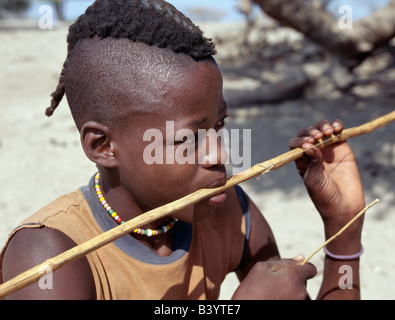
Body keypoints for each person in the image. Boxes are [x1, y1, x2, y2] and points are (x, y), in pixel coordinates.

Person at [0, 0, 365, 300]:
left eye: (218, 126)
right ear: (103, 146)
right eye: (188, 139)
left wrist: (344, 226)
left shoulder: (227, 211)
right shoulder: (50, 256)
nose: (219, 153)